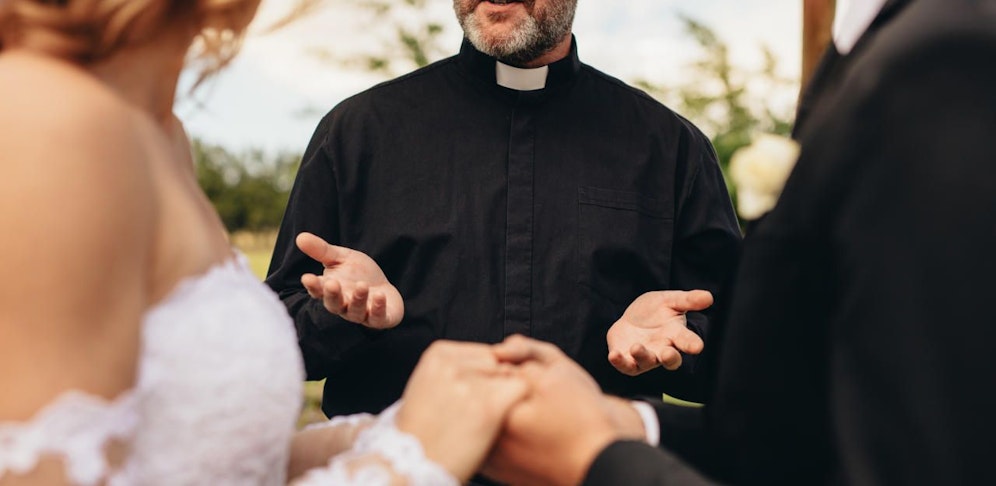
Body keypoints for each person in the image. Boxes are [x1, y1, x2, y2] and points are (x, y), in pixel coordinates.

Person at [0, 1, 528, 484]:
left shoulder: (165, 138)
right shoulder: (53, 123)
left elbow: (208, 463)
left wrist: (380, 436)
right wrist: (412, 460)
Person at [480, 0, 996, 484]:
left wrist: (673, 353)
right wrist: (630, 422)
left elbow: (751, 357)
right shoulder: (866, 56)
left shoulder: (673, 145)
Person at [265, 0, 742, 418]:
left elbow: (739, 353)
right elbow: (278, 341)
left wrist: (680, 345)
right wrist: (342, 314)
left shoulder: (671, 147)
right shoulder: (357, 132)